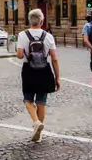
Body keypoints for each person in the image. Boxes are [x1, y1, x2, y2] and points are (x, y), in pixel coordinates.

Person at [17, 8, 60, 143]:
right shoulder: (48, 36)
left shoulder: (22, 35)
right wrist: (57, 77)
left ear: (29, 21)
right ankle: (39, 133)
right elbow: (54, 58)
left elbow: (19, 55)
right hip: (44, 70)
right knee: (41, 102)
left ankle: (36, 122)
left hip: (29, 70)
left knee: (28, 99)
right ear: (42, 21)